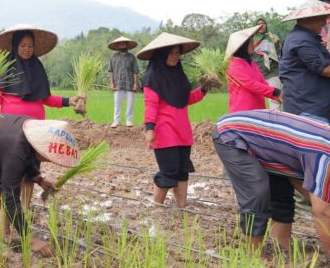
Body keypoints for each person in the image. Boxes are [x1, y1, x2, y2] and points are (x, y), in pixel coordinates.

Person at [0, 25, 83, 235]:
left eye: (30, 46)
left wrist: (69, 101)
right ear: (15, 46)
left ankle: (25, 208)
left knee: (31, 171)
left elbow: (47, 98)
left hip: (36, 132)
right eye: (23, 45)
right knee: (5, 173)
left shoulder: (37, 68)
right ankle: (1, 210)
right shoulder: (6, 67)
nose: (27, 49)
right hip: (11, 130)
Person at [0, 112, 76, 257]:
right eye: (50, 157)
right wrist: (30, 238)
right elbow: (10, 198)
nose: (50, 160)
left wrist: (39, 179)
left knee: (3, 182)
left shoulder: (32, 134)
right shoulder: (15, 149)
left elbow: (26, 156)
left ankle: (1, 235)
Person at [213, 110, 330, 253]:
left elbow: (311, 190)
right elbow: (322, 212)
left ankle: (282, 250)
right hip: (232, 133)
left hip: (273, 146)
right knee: (257, 191)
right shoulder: (323, 156)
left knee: (282, 190)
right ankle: (254, 257)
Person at [138, 32, 214, 208]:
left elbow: (186, 99)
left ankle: (182, 207)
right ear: (162, 54)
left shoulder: (179, 75)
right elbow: (151, 105)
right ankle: (157, 207)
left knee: (182, 171)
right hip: (164, 131)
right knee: (169, 171)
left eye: (177, 53)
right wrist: (149, 129)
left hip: (182, 131)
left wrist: (204, 89)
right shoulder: (152, 78)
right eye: (171, 53)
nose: (175, 56)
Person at [278, 0, 330, 125]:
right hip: (309, 110)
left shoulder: (306, 38)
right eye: (321, 17)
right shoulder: (301, 40)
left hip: (312, 107)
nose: (325, 22)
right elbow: (325, 70)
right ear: (307, 19)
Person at [225, 25, 282, 112]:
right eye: (251, 43)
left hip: (258, 109)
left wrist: (275, 96)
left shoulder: (252, 63)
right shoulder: (232, 65)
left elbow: (262, 82)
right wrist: (275, 91)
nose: (253, 45)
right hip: (242, 111)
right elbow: (251, 84)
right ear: (243, 46)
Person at [107, 36, 140, 128]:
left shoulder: (132, 57)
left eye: (124, 44)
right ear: (117, 46)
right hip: (117, 84)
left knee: (130, 103)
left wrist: (135, 84)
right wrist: (111, 83)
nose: (122, 45)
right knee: (117, 104)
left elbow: (135, 71)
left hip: (130, 83)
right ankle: (116, 121)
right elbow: (111, 71)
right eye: (120, 44)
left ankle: (129, 120)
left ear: (127, 45)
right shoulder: (113, 57)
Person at [252, 17, 281, 110]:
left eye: (263, 23)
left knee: (274, 98)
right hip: (257, 72)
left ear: (266, 25)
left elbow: (279, 52)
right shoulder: (251, 39)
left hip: (272, 71)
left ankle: (276, 118)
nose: (261, 25)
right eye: (258, 24)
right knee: (257, 99)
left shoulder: (272, 36)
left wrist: (276, 44)